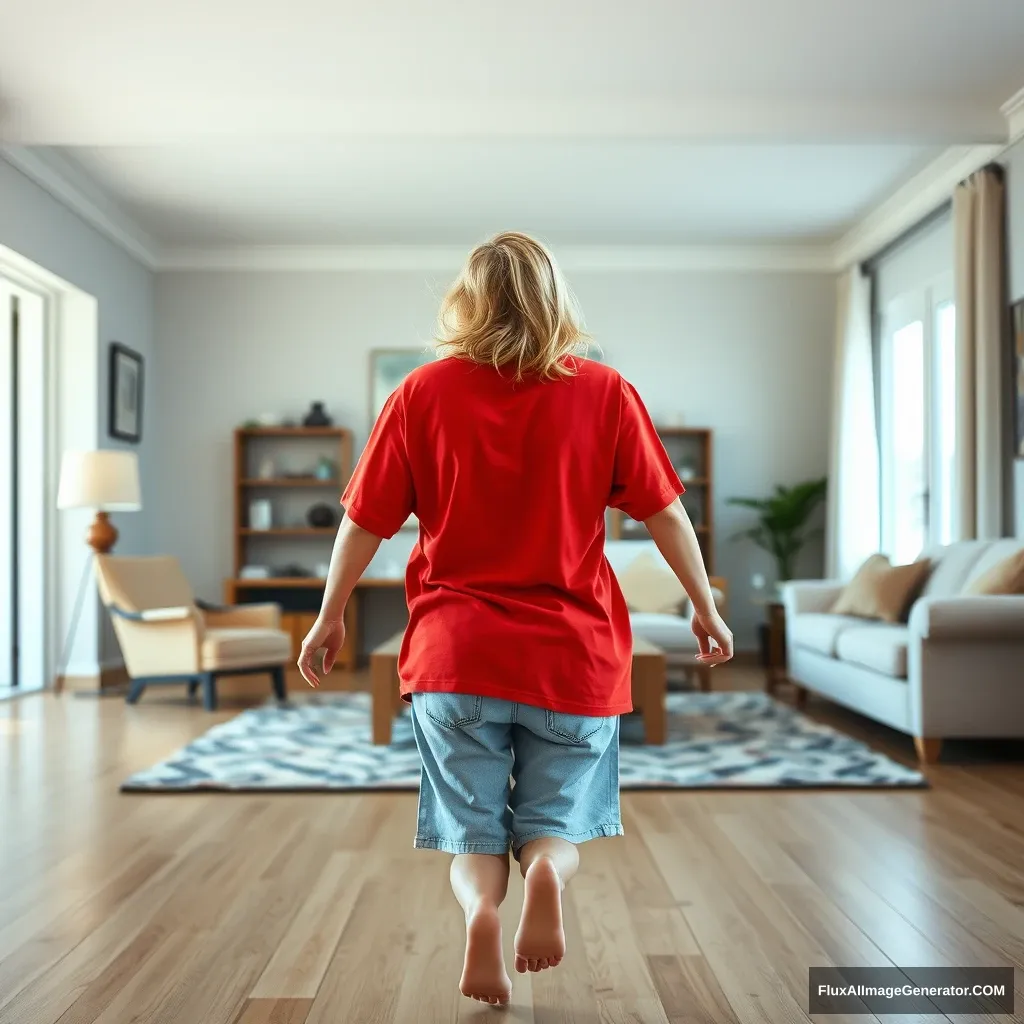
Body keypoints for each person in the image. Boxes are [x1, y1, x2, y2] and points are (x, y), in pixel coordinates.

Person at [296, 231, 734, 1005]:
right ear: (555, 302)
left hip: (454, 660)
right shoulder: (606, 392)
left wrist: (329, 615)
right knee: (553, 827)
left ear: (466, 303)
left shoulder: (420, 394)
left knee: (470, 835)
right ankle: (546, 879)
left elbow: (362, 523)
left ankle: (481, 913)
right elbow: (667, 514)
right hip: (572, 660)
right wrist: (704, 606)